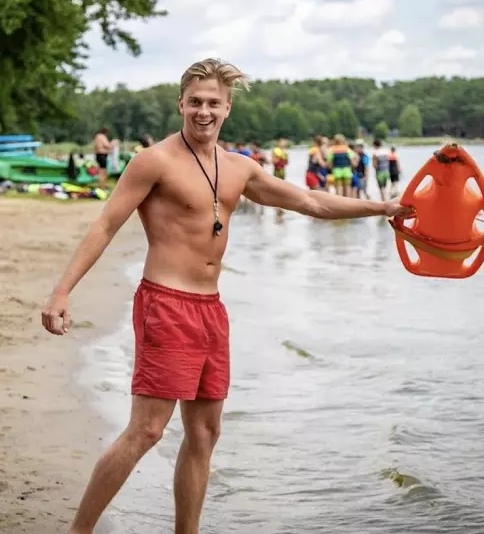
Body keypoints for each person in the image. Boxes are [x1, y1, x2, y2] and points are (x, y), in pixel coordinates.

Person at [41, 58, 412, 534]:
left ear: (227, 108)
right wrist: (62, 291)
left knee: (205, 433)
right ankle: (79, 531)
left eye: (213, 103)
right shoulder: (153, 161)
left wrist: (381, 206)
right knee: (148, 429)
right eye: (195, 101)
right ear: (180, 103)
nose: (203, 111)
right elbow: (106, 224)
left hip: (211, 311)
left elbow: (311, 202)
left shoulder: (239, 169)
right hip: (166, 304)